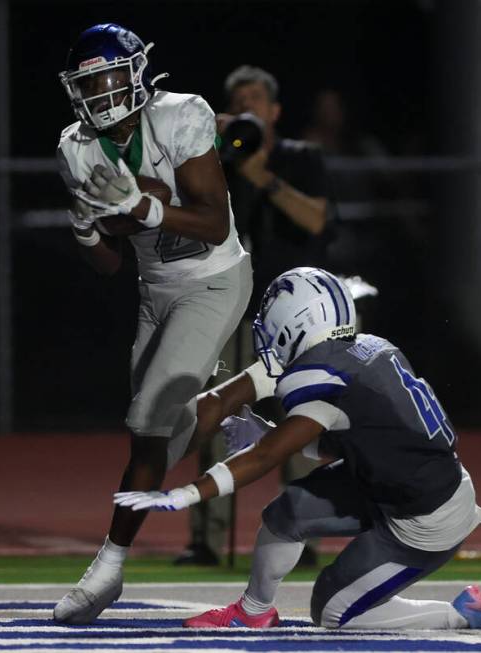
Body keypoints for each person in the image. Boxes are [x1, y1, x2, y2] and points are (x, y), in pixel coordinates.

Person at [115, 267, 481, 630]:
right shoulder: (368, 348)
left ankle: (458, 613)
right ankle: (252, 614)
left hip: (424, 520)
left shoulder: (322, 377)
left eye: (272, 324)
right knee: (285, 515)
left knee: (331, 612)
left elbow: (268, 455)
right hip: (394, 483)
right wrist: (264, 429)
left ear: (296, 324)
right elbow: (355, 437)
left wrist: (188, 493)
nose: (266, 334)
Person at [51, 23, 252, 624]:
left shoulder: (181, 115)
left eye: (111, 76)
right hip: (153, 292)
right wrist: (88, 229)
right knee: (165, 431)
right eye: (90, 83)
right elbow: (109, 264)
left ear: (137, 72)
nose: (103, 92)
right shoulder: (75, 147)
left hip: (214, 281)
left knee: (146, 423)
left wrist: (143, 207)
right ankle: (246, 411)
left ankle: (108, 568)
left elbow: (215, 223)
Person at [176, 66, 334, 567]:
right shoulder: (216, 165)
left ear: (275, 111)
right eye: (237, 102)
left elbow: (316, 220)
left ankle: (301, 536)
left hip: (296, 316)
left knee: (302, 420)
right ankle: (206, 539)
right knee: (217, 414)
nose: (248, 109)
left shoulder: (300, 158)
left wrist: (262, 177)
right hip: (235, 310)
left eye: (255, 101)